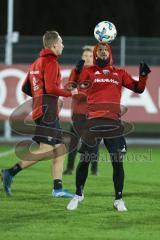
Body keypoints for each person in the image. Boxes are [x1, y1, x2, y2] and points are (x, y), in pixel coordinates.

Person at [67, 42, 151, 211]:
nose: (103, 52)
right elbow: (73, 85)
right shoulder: (89, 71)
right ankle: (78, 194)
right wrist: (76, 72)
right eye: (100, 50)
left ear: (110, 53)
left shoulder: (119, 73)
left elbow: (139, 89)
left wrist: (143, 76)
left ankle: (118, 199)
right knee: (85, 160)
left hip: (113, 123)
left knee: (117, 162)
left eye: (106, 50)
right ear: (96, 54)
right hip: (93, 122)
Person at [0, 31, 76, 198]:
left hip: (43, 110)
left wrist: (40, 98)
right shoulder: (51, 62)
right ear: (54, 45)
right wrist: (70, 94)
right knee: (46, 149)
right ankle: (11, 172)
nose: (63, 45)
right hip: (47, 111)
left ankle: (57, 189)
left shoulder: (37, 62)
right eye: (61, 43)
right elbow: (50, 88)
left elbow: (26, 88)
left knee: (60, 150)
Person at [63, 46, 99, 176]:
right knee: (73, 142)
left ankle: (94, 169)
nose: (88, 58)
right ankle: (69, 168)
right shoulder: (76, 71)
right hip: (78, 112)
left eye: (90, 56)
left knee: (92, 143)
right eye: (85, 56)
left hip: (92, 113)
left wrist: (80, 91)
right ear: (81, 57)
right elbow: (70, 88)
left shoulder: (97, 72)